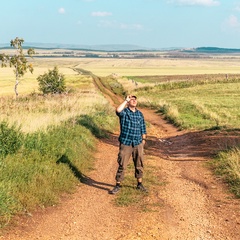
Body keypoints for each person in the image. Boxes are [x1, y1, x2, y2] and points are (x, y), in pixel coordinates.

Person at [110, 95, 147, 194]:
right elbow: (118, 110)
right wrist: (125, 100)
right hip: (126, 142)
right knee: (122, 164)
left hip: (138, 142)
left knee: (139, 164)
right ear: (128, 102)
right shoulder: (124, 112)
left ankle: (139, 184)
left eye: (135, 99)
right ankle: (118, 185)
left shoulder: (140, 114)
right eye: (132, 99)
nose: (134, 101)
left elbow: (143, 127)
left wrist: (143, 139)